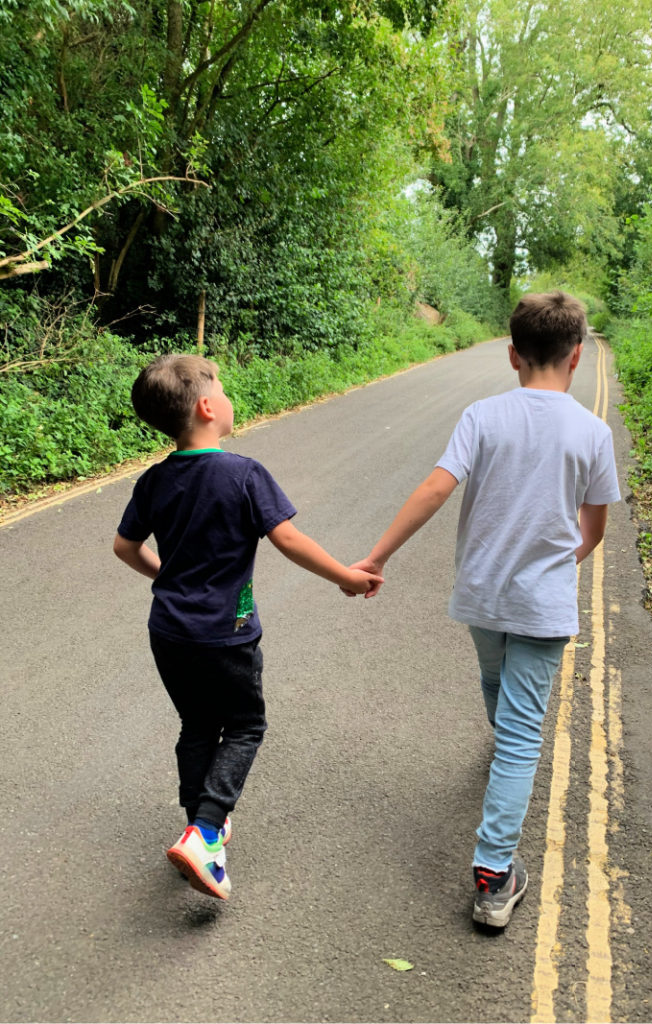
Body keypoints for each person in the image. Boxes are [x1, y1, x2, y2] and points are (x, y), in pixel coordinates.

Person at [349, 291, 621, 928]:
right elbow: (594, 528)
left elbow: (436, 487)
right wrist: (558, 569)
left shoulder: (482, 415)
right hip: (542, 603)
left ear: (512, 355)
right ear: (577, 356)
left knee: (494, 683)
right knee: (523, 735)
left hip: (482, 594)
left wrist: (378, 557)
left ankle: (502, 778)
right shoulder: (592, 431)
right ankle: (495, 875)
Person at [113, 354, 381, 901]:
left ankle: (197, 827)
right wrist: (345, 577)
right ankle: (207, 832)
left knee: (195, 725)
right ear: (209, 406)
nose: (229, 398)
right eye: (224, 389)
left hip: (168, 630)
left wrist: (168, 574)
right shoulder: (243, 474)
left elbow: (124, 546)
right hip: (226, 634)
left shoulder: (154, 480)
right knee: (244, 726)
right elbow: (288, 540)